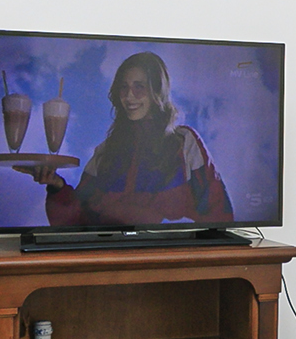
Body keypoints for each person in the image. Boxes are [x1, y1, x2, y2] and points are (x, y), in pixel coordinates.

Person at [34, 51, 232, 227]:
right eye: (124, 87)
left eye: (139, 86)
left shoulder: (184, 143)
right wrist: (57, 187)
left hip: (169, 253)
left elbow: (218, 213)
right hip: (111, 253)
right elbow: (77, 223)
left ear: (157, 91)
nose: (129, 96)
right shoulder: (105, 152)